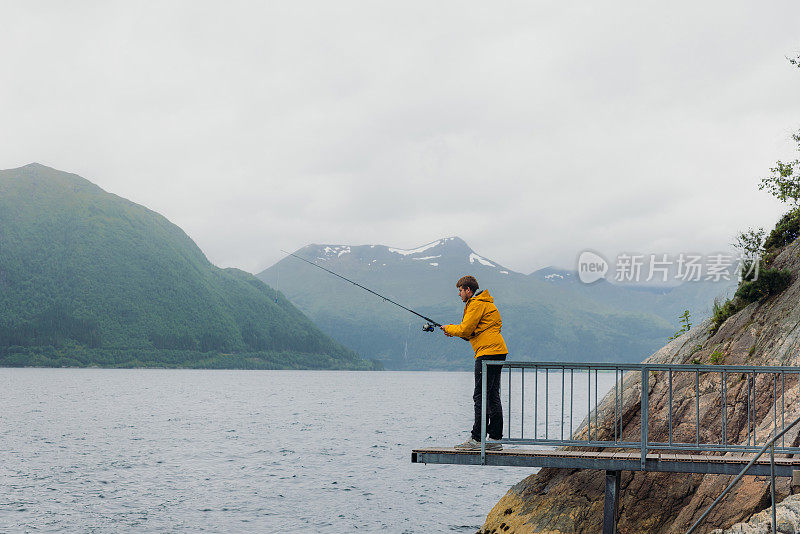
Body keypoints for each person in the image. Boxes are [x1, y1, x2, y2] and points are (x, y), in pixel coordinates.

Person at [441, 275, 508, 451]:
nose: (459, 294)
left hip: (486, 353)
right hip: (498, 351)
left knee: (480, 396)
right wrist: (456, 332)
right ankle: (494, 439)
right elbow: (473, 331)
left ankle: (477, 439)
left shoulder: (476, 303)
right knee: (492, 395)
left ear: (468, 290)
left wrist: (449, 328)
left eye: (460, 291)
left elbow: (465, 328)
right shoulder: (486, 303)